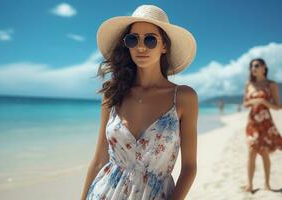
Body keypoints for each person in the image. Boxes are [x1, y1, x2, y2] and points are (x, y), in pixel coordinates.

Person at [81, 4, 198, 200]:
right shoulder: (113, 93)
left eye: (150, 39)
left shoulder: (184, 97)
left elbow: (189, 168)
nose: (141, 47)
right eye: (133, 39)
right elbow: (100, 158)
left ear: (164, 46)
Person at [243, 58, 282, 192]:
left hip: (265, 122)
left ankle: (267, 184)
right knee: (251, 151)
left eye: (256, 65)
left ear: (264, 67)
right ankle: (250, 185)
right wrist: (253, 102)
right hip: (252, 122)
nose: (253, 68)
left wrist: (263, 101)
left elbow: (278, 107)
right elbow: (245, 104)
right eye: (251, 66)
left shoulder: (271, 84)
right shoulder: (249, 84)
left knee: (264, 152)